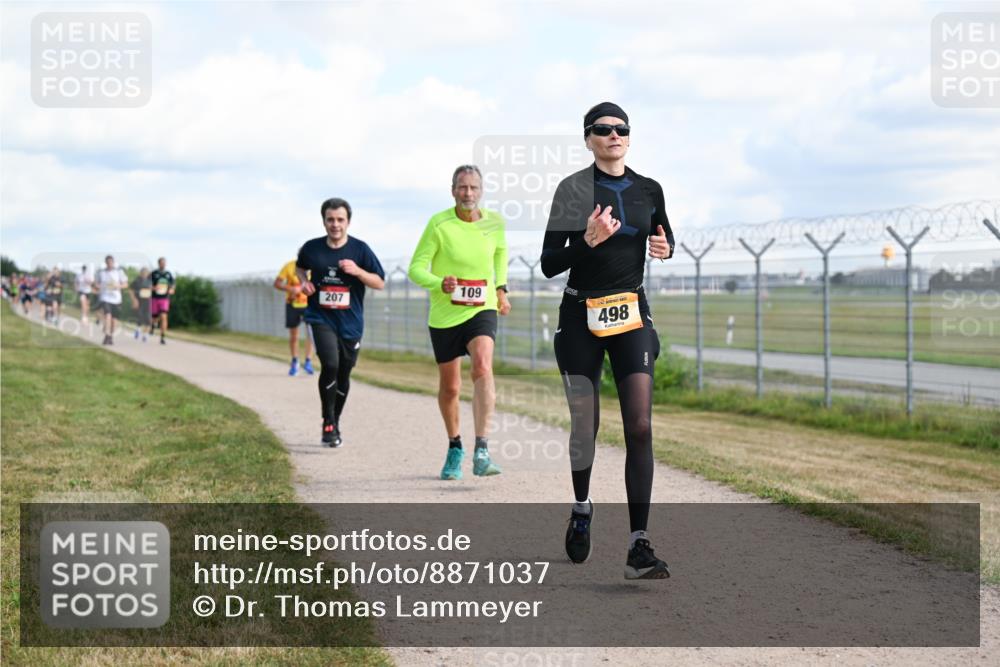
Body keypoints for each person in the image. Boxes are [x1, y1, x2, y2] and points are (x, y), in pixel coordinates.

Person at [541, 102, 675, 580]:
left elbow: (664, 237)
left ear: (629, 137)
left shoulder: (648, 189)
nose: (613, 135)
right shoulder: (573, 190)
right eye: (603, 129)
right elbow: (550, 262)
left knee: (639, 425)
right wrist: (587, 241)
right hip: (580, 314)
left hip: (631, 313)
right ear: (588, 138)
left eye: (621, 129)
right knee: (585, 426)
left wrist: (665, 247)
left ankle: (639, 545)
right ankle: (581, 507)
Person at [408, 165, 511, 481]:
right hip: (445, 315)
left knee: (482, 366)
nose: (468, 193)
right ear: (453, 190)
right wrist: (441, 283)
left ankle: (482, 448)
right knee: (450, 387)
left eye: (474, 188)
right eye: (462, 188)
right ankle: (455, 446)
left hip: (482, 309)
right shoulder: (439, 224)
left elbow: (500, 256)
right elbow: (415, 268)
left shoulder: (494, 223)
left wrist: (501, 290)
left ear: (481, 191)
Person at [297, 197, 385, 447]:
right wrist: (304, 281)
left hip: (351, 323)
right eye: (330, 220)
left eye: (340, 220)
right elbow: (300, 267)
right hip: (320, 316)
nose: (335, 225)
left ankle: (335, 419)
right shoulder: (312, 248)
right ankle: (328, 421)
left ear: (348, 222)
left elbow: (379, 282)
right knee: (331, 364)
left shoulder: (360, 250)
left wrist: (358, 271)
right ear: (323, 221)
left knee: (345, 370)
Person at [274, 260, 315, 376]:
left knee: (311, 335)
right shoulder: (289, 266)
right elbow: (277, 283)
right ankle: (295, 361)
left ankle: (308, 361)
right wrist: (290, 288)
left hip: (309, 305)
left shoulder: (314, 266)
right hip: (292, 304)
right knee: (294, 336)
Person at [95, 255, 129, 345]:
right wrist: (101, 286)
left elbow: (125, 284)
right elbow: (96, 284)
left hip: (116, 299)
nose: (109, 264)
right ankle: (106, 335)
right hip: (105, 298)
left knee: (114, 320)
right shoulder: (101, 273)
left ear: (113, 262)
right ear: (106, 263)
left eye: (111, 262)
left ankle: (110, 336)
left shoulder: (119, 272)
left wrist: (118, 286)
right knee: (107, 316)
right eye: (108, 262)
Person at [149, 257, 175, 345]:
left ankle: (162, 337)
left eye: (164, 263)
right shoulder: (153, 274)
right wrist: (154, 288)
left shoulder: (168, 274)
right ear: (158, 263)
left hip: (164, 298)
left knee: (164, 316)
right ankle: (153, 326)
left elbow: (172, 285)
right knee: (154, 318)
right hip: (155, 298)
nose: (163, 264)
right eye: (161, 263)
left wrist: (171, 290)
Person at [130, 267, 153, 342]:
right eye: (143, 273)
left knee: (148, 319)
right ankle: (138, 330)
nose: (144, 274)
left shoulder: (150, 281)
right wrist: (134, 300)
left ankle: (145, 335)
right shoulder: (137, 281)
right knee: (140, 317)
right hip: (139, 300)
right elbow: (131, 290)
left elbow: (153, 289)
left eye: (146, 273)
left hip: (147, 301)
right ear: (140, 273)